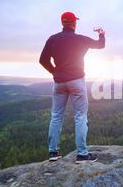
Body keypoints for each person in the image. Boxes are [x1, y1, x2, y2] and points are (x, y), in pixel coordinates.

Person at [39, 11, 105, 163]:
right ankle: (82, 154)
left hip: (59, 83)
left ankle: (53, 152)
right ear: (74, 23)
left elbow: (42, 60)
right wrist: (102, 33)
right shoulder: (80, 39)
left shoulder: (52, 39)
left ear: (62, 23)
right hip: (77, 81)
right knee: (80, 116)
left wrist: (54, 71)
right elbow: (101, 45)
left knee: (56, 116)